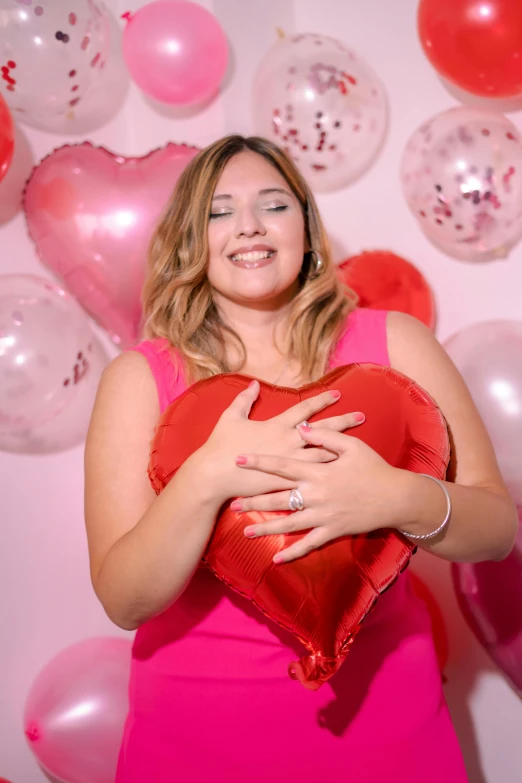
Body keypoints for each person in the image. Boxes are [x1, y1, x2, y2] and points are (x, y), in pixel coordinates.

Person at [84, 135, 517, 782]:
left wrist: (397, 496)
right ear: (188, 239)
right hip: (194, 740)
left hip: (390, 734)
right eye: (218, 211)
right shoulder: (140, 379)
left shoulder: (398, 344)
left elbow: (497, 527)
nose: (249, 226)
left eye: (273, 205)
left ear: (308, 228)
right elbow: (124, 598)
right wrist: (206, 475)